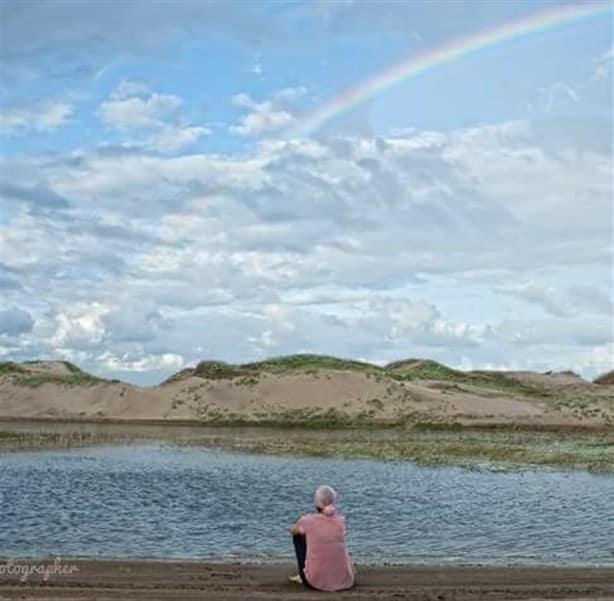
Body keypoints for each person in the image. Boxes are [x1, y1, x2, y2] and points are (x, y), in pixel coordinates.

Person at [288, 484, 355, 591]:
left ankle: (305, 573)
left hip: (314, 582)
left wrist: (306, 531)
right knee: (335, 541)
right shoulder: (341, 521)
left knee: (298, 536)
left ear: (316, 503)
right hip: (346, 581)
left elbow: (292, 530)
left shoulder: (307, 521)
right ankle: (343, 569)